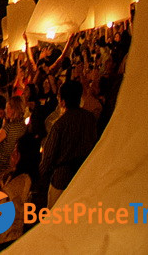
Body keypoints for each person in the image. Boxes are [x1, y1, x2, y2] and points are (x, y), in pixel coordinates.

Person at [39, 79, 98, 208]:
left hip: (62, 178)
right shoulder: (90, 119)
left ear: (62, 101)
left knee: (55, 219)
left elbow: (48, 157)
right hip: (84, 175)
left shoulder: (60, 125)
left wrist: (41, 174)